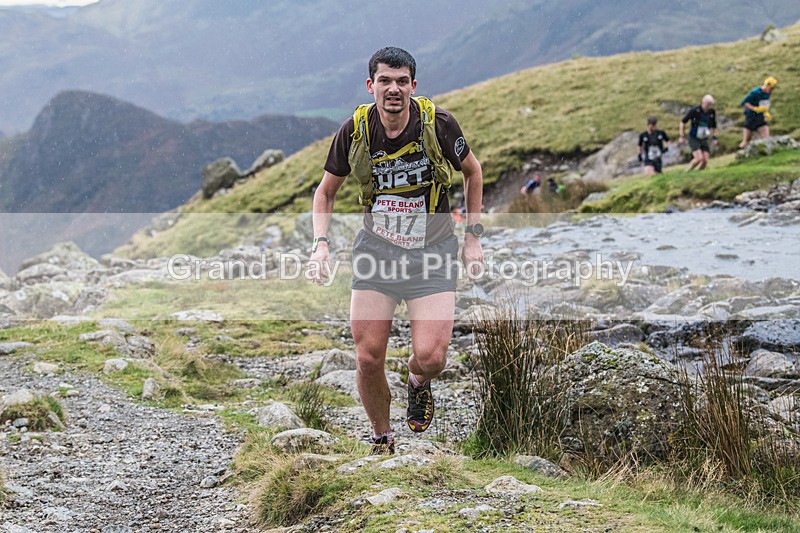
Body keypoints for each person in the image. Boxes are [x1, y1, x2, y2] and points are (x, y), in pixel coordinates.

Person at [308, 47, 483, 454]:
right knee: (368, 357)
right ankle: (382, 438)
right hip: (378, 253)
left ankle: (417, 380)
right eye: (385, 81)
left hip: (432, 252)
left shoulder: (437, 124)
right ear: (370, 85)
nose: (393, 89)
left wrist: (473, 237)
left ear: (413, 86)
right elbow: (325, 193)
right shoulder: (355, 130)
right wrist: (320, 246)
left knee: (432, 357)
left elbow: (473, 172)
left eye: (402, 81)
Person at [679, 95, 717, 171]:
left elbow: (714, 126)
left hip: (704, 138)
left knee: (705, 160)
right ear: (703, 102)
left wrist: (714, 138)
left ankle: (698, 173)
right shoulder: (695, 111)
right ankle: (687, 172)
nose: (709, 106)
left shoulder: (712, 112)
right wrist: (682, 136)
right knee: (699, 158)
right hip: (694, 137)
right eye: (708, 104)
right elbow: (682, 122)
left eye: (711, 104)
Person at [739, 76, 778, 148]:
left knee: (766, 139)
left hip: (761, 118)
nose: (772, 90)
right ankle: (740, 152)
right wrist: (755, 109)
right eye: (771, 88)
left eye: (773, 88)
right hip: (751, 119)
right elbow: (744, 103)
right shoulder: (755, 92)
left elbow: (764, 104)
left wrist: (766, 113)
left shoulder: (768, 93)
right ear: (766, 85)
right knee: (746, 141)